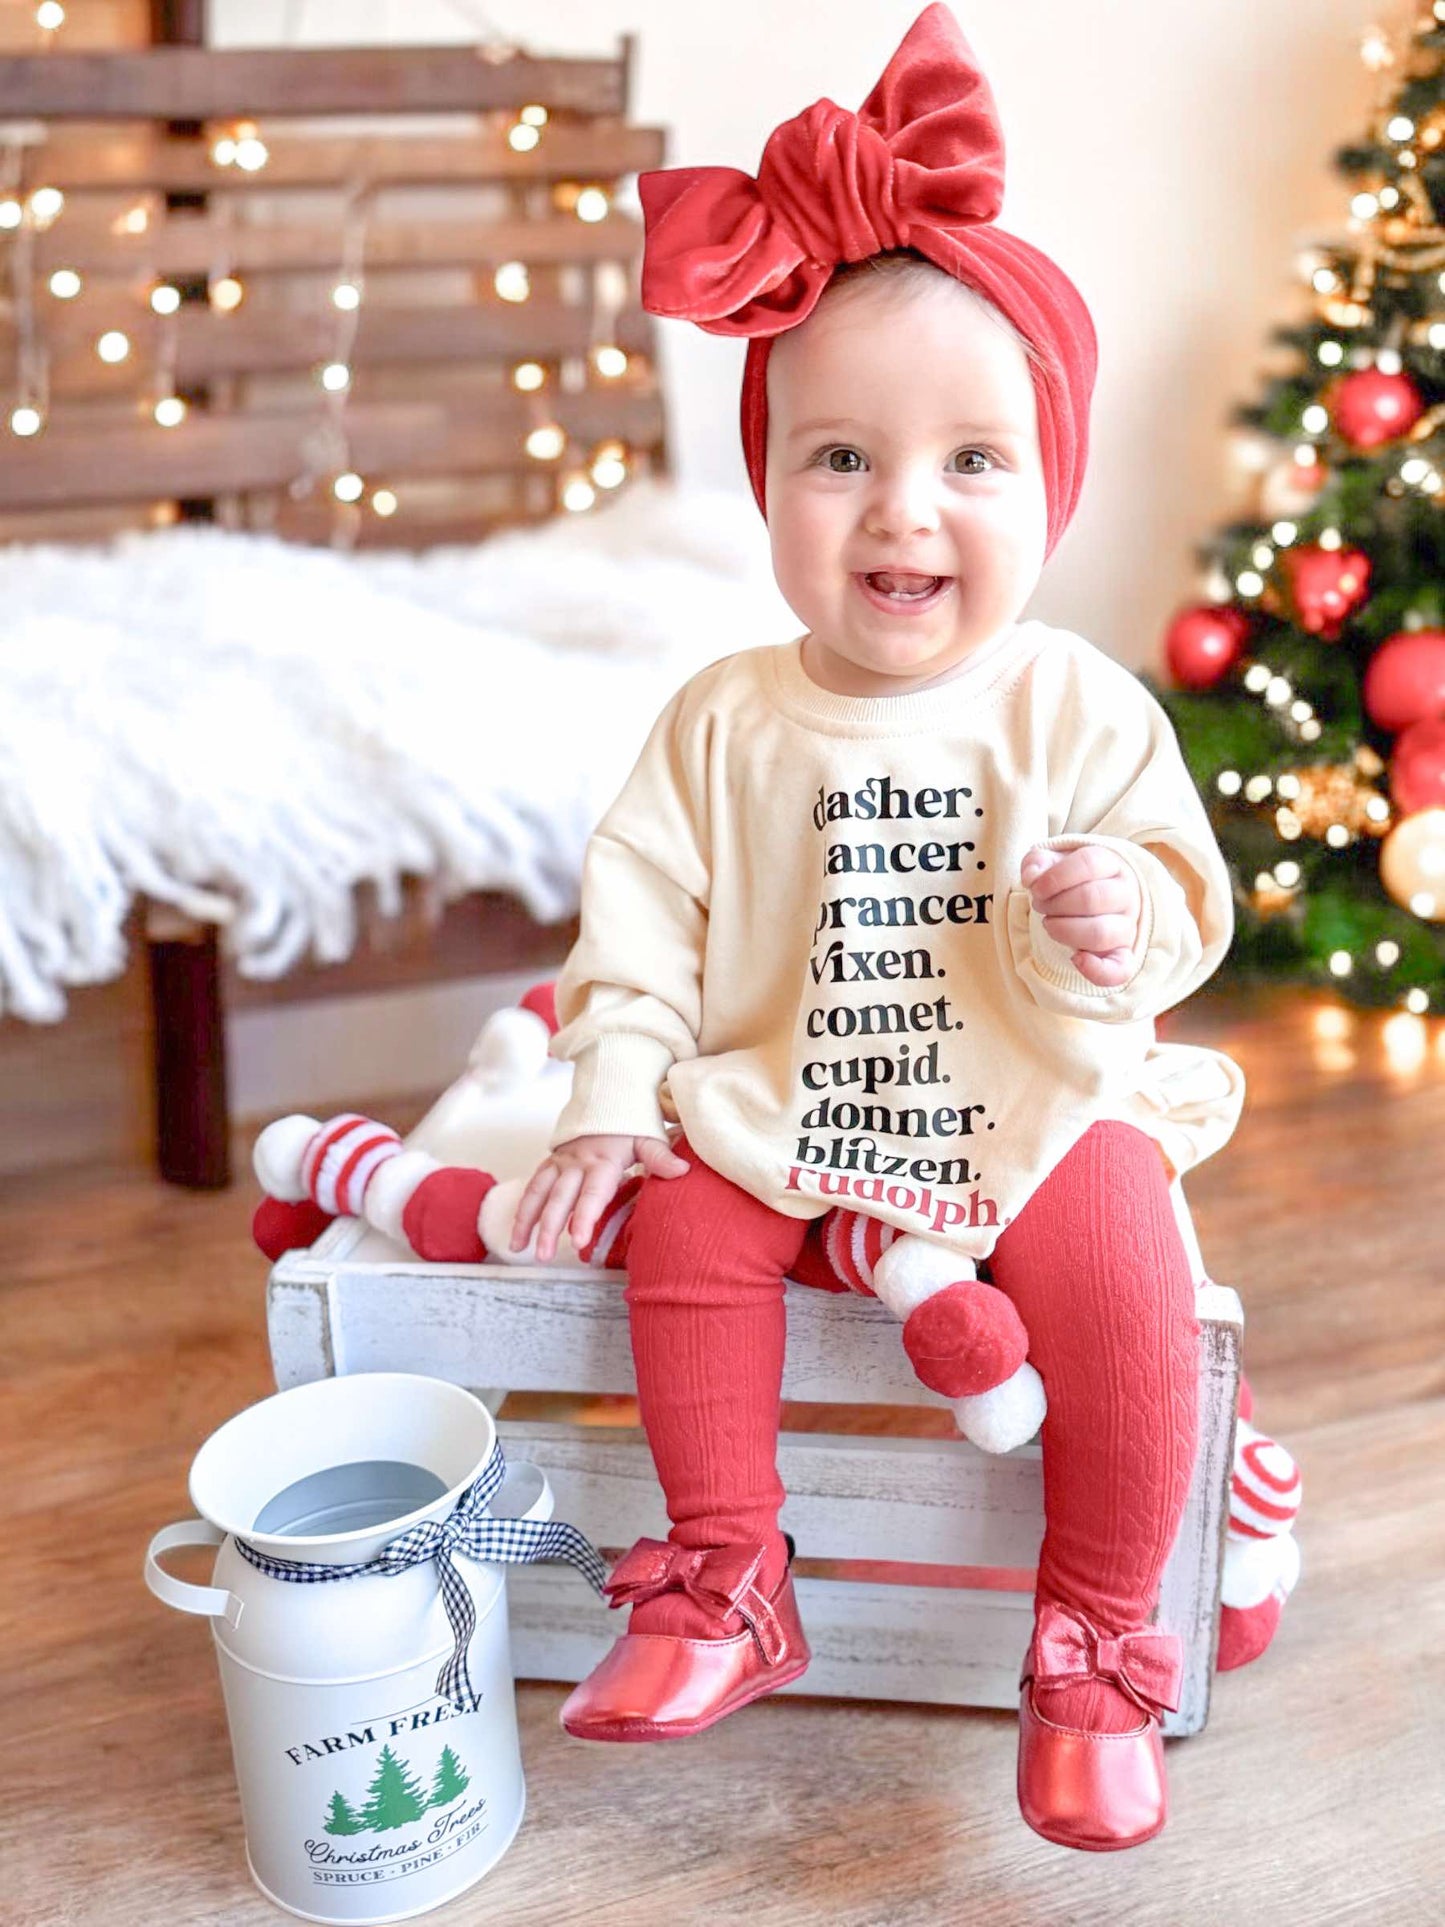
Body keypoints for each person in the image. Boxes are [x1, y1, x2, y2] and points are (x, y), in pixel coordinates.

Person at [511, 5, 1244, 1852]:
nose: (900, 510)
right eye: (837, 456)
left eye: (971, 464)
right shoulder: (727, 715)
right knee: (681, 1219)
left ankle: (1090, 1636)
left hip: (1027, 1102)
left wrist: (1119, 919)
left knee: (1128, 1265)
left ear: (1047, 486)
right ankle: (728, 1576)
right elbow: (644, 919)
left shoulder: (1069, 707)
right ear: (767, 482)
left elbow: (1179, 892)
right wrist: (611, 1091)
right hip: (789, 1107)